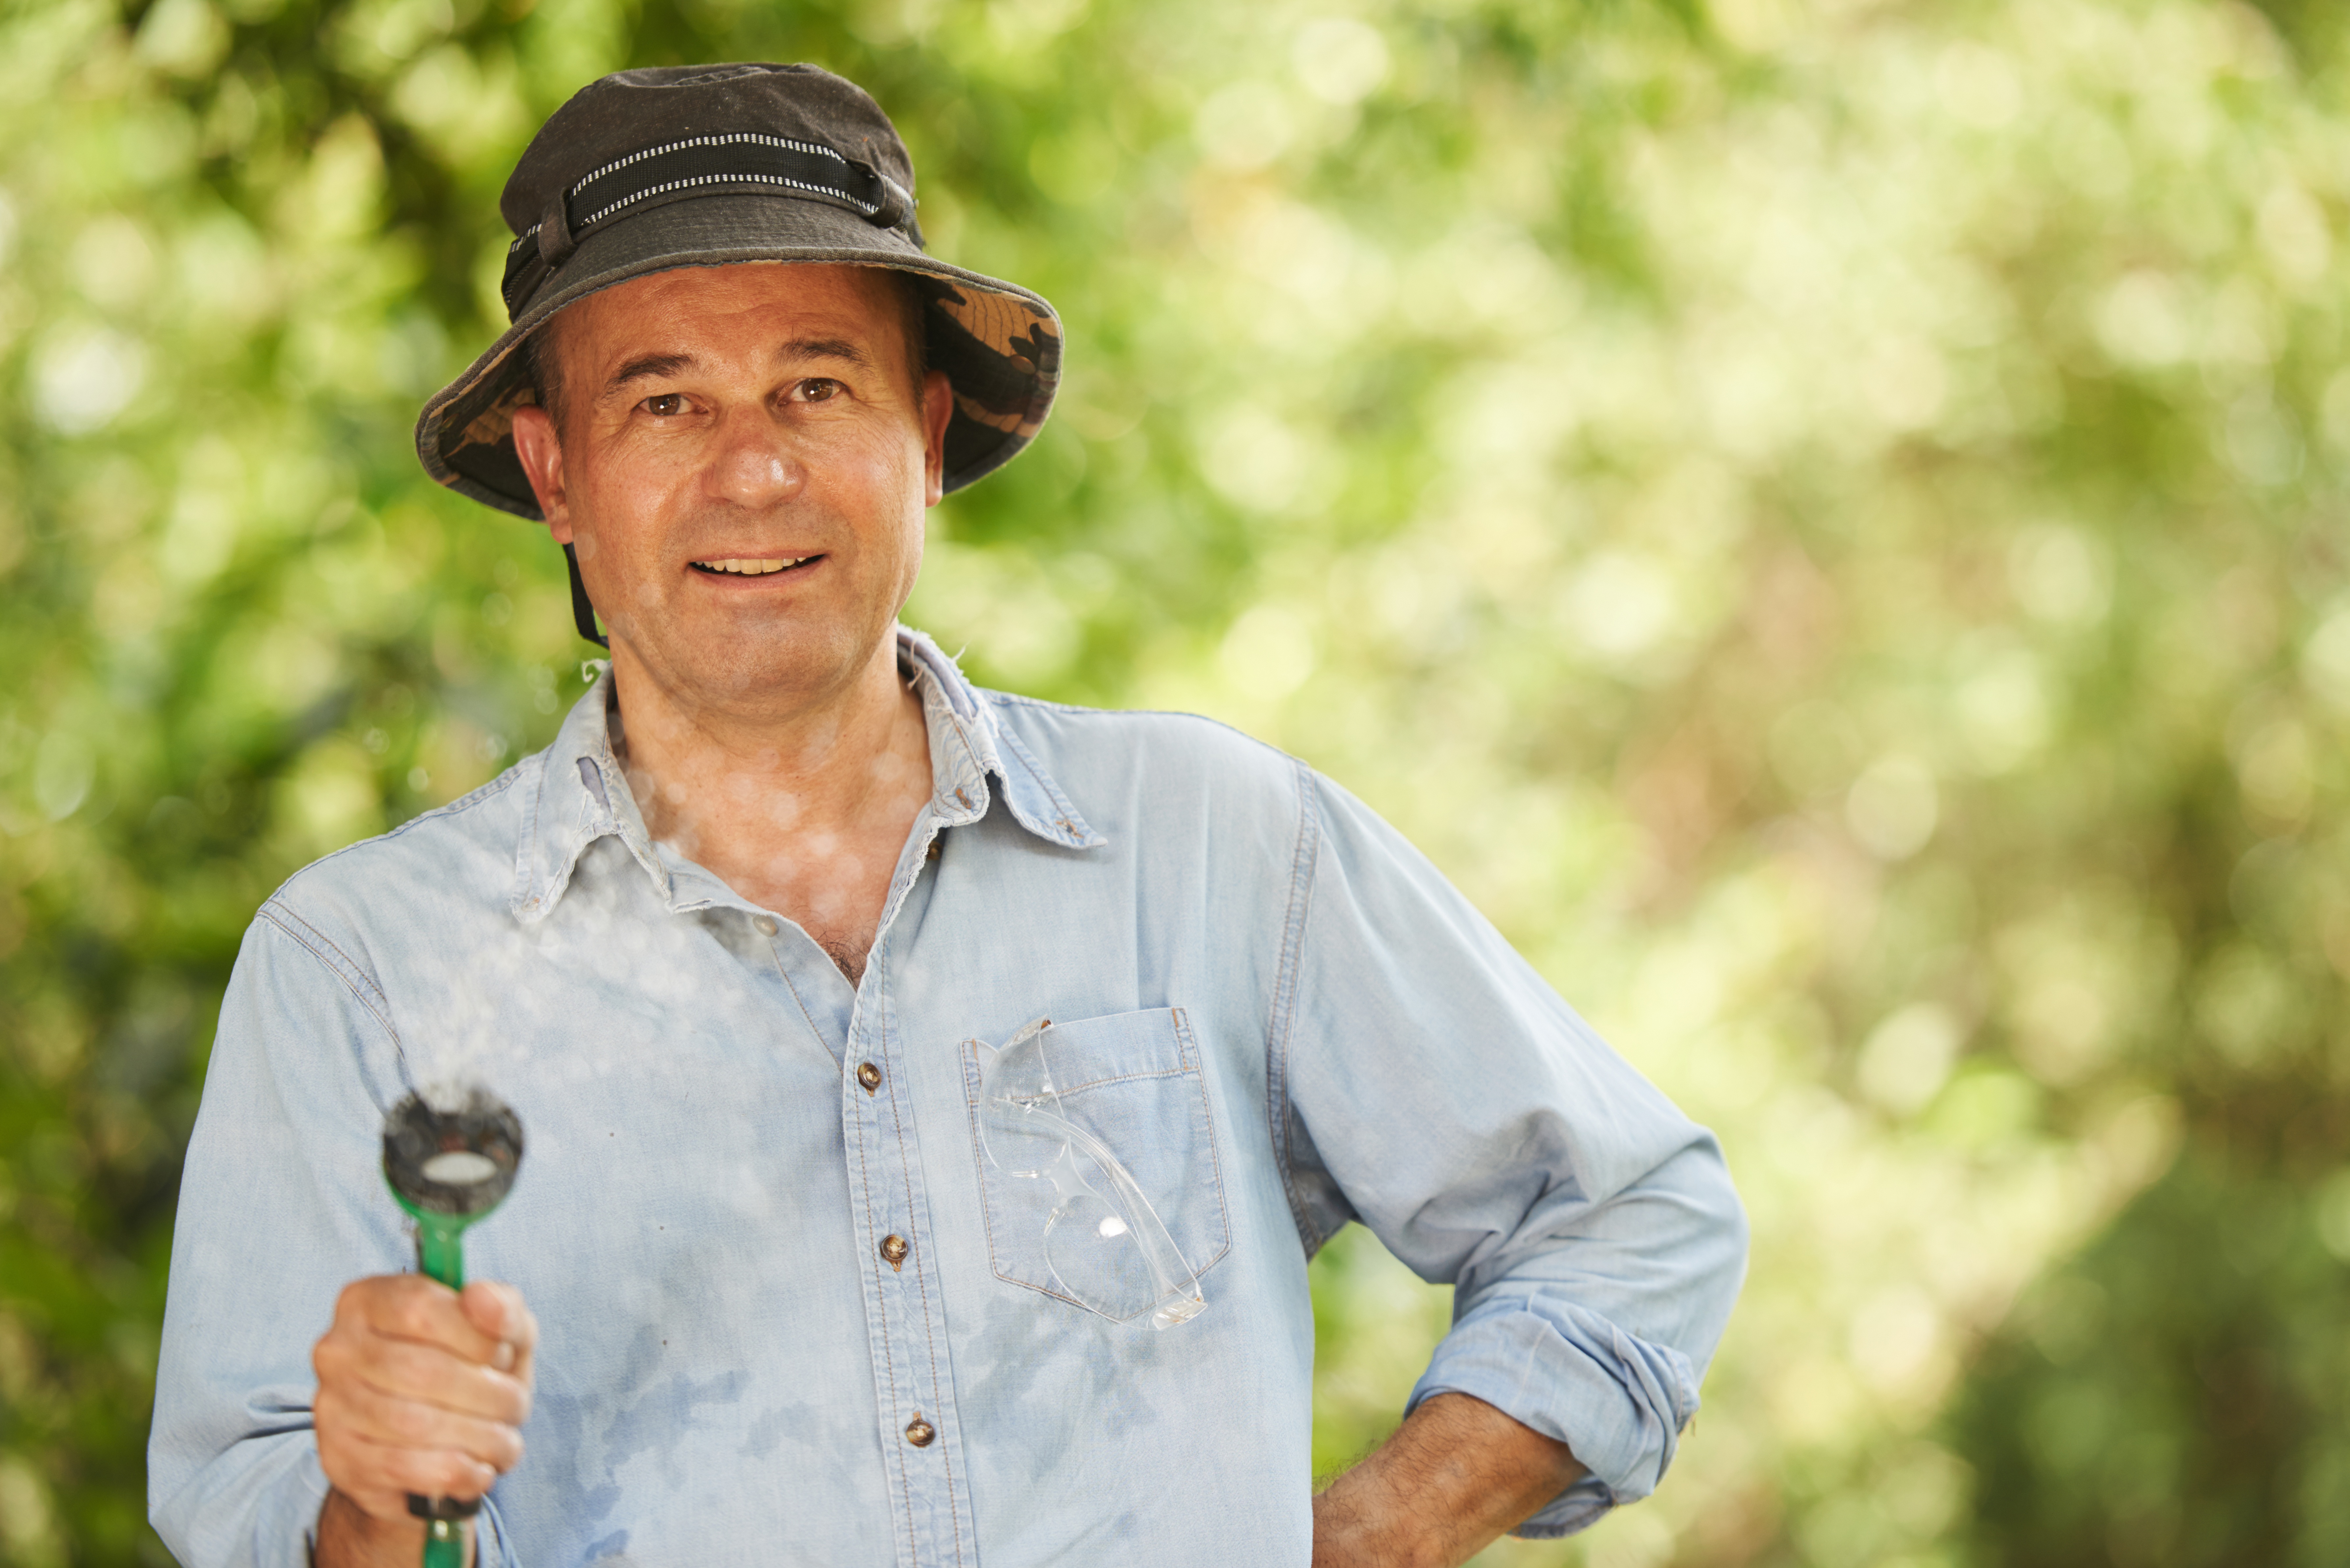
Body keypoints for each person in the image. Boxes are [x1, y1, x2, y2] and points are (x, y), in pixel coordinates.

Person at [148, 63, 1747, 1568]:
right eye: (665, 406)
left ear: (921, 443)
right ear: (555, 475)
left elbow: (1628, 1217)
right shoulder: (361, 965)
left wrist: (1367, 1532)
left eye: (814, 385)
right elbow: (253, 1513)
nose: (753, 471)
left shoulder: (1209, 844)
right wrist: (370, 1486)